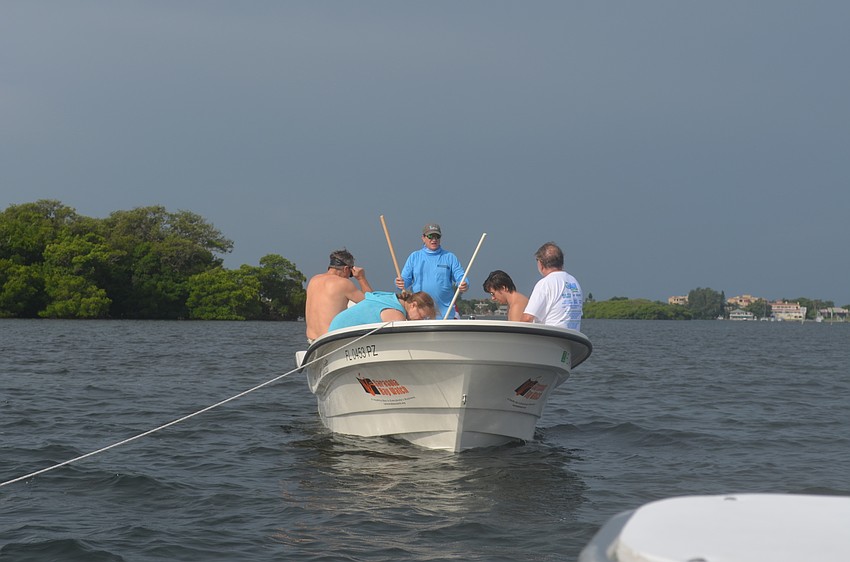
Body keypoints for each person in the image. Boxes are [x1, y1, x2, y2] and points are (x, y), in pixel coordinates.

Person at [395, 223, 468, 319]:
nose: (434, 239)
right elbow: (404, 281)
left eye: (437, 236)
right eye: (430, 236)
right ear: (423, 238)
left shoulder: (450, 257)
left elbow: (461, 276)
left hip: (445, 314)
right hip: (419, 314)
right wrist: (400, 283)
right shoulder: (414, 257)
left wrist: (464, 283)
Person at [305, 249, 373, 342]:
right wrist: (361, 278)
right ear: (346, 269)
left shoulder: (313, 280)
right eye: (350, 274)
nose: (349, 277)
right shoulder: (343, 283)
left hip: (312, 341)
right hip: (331, 340)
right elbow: (371, 304)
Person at [521, 242, 583, 330]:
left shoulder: (545, 283)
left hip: (550, 339)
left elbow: (527, 319)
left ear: (541, 264)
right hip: (572, 339)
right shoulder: (574, 282)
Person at [328, 291, 436, 331]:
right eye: (422, 316)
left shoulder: (389, 298)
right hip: (339, 335)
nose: (421, 320)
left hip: (335, 328)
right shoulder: (396, 314)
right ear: (413, 305)